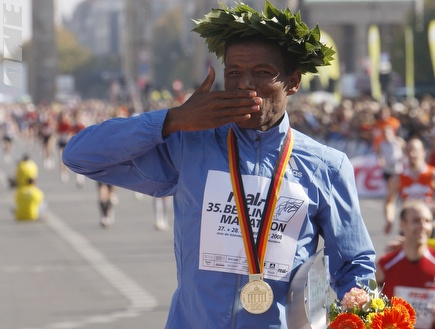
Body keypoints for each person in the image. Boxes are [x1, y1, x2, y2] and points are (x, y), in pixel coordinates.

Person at [63, 2, 376, 328]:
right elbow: (79, 155)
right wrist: (173, 119)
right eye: (235, 73)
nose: (245, 85)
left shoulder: (326, 166)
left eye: (262, 72)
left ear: (293, 82)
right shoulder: (190, 144)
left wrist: (358, 313)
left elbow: (354, 263)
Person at [376, 200, 435, 329]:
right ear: (402, 224)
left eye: (427, 221)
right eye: (416, 221)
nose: (423, 226)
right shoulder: (385, 265)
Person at [384, 136, 435, 235]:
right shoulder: (398, 178)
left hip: (429, 226)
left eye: (416, 150)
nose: (412, 154)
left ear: (423, 153)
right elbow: (389, 202)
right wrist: (389, 220)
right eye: (409, 151)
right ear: (405, 154)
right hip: (408, 227)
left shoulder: (432, 174)